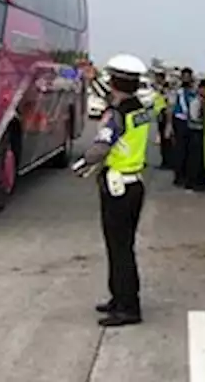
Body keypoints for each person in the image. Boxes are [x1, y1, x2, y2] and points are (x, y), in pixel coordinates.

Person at [71, 53, 151, 327]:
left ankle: (128, 307)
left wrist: (81, 164)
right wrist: (95, 82)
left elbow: (102, 146)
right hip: (134, 184)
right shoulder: (139, 107)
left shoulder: (117, 114)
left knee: (119, 249)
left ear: (115, 81)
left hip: (118, 187)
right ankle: (120, 297)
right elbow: (113, 101)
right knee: (122, 246)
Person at [169, 67, 196, 187]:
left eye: (188, 76)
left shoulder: (193, 91)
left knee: (190, 150)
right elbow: (170, 108)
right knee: (179, 150)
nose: (186, 79)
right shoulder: (177, 91)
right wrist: (169, 125)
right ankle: (178, 176)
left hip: (190, 122)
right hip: (179, 120)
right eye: (184, 76)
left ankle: (187, 175)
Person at [183, 78, 205, 191]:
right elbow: (194, 118)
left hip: (202, 133)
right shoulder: (196, 102)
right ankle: (192, 182)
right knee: (194, 159)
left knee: (202, 159)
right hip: (195, 132)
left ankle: (201, 181)